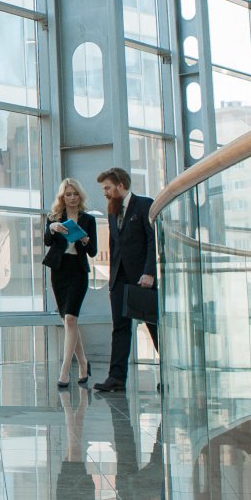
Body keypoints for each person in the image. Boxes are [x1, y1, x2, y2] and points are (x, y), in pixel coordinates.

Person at [92, 167, 158, 394]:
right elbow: (114, 246)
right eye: (104, 189)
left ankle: (169, 374)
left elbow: (153, 241)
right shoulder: (112, 211)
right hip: (119, 278)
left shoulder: (144, 205)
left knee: (153, 327)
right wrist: (112, 279)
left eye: (108, 188)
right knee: (119, 328)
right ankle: (116, 377)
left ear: (121, 185)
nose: (105, 193)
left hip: (142, 279)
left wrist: (150, 272)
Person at [44, 177, 98, 388]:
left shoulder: (88, 220)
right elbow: (48, 242)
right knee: (69, 322)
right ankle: (83, 364)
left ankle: (65, 369)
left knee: (71, 319)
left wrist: (85, 240)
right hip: (59, 271)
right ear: (62, 197)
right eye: (68, 194)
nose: (72, 198)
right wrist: (52, 228)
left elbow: (93, 252)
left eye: (76, 194)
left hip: (78, 270)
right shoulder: (54, 217)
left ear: (80, 196)